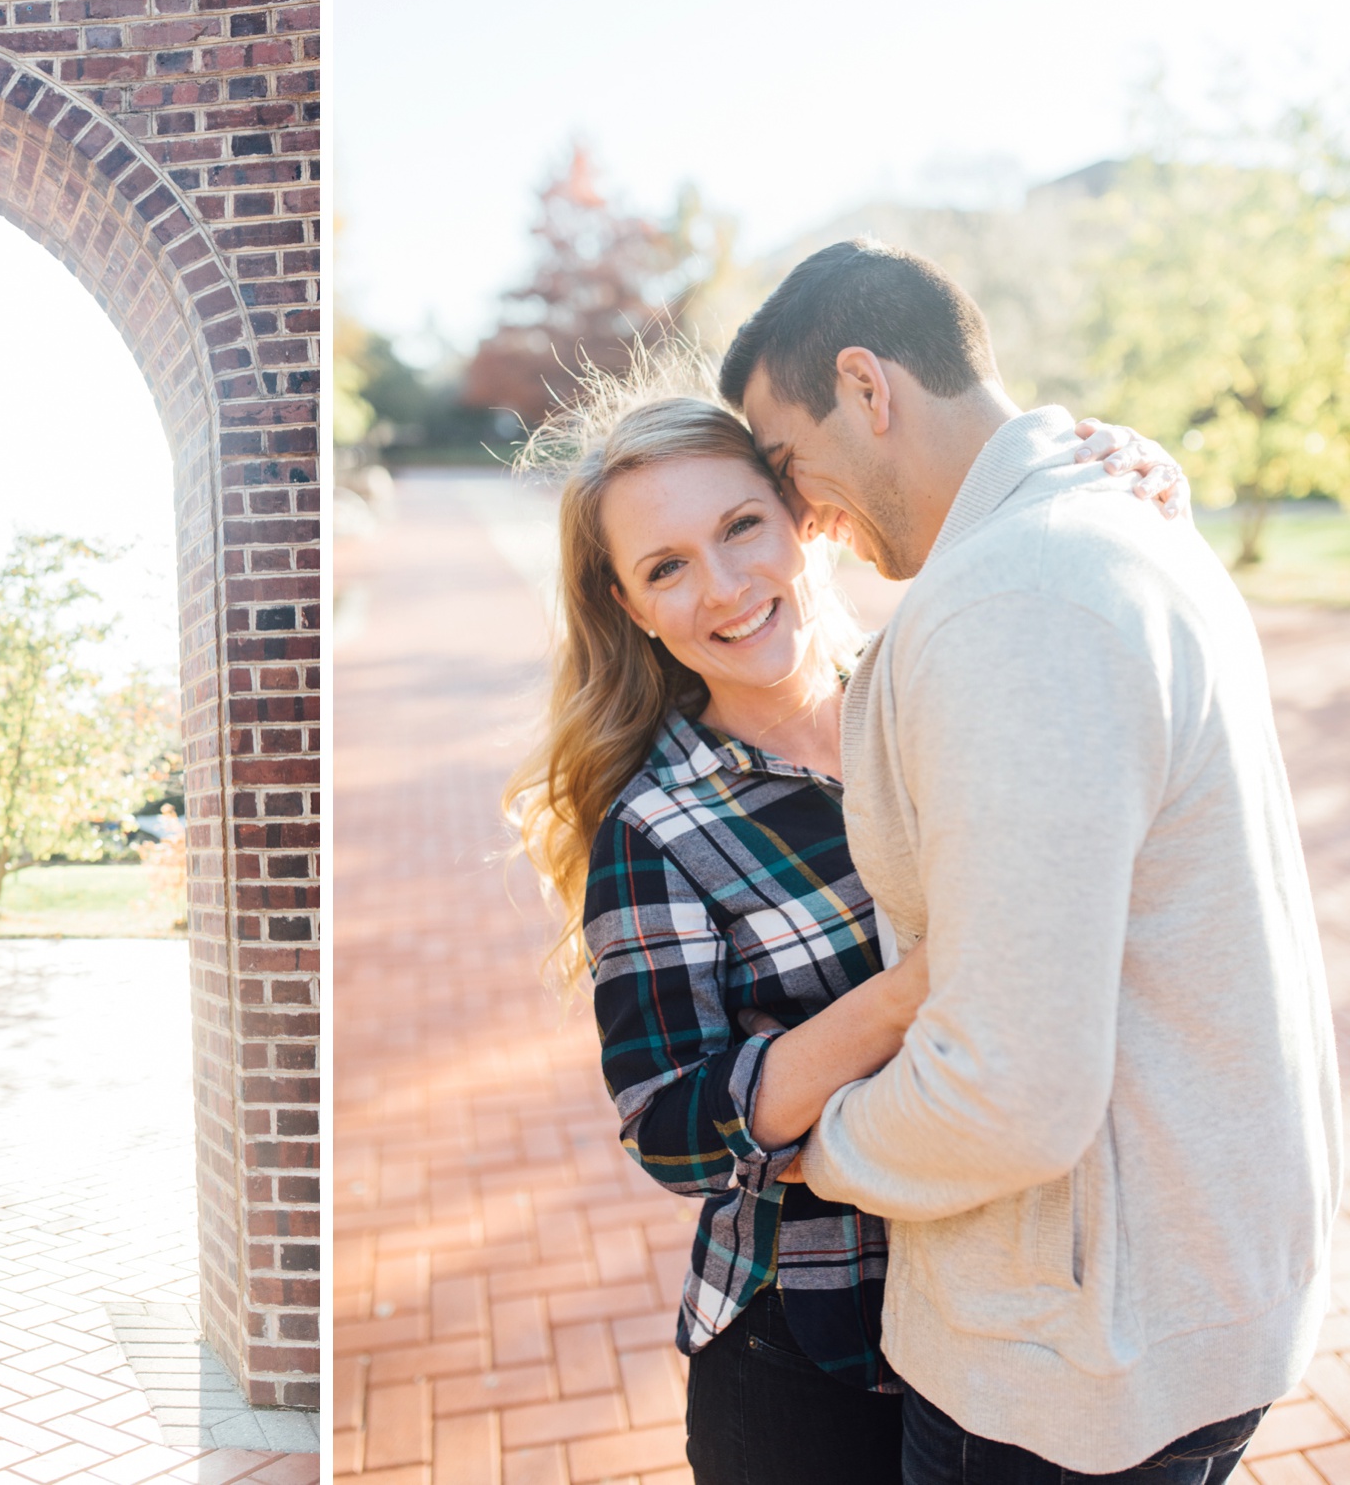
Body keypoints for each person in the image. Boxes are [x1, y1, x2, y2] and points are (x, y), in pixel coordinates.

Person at [504, 350, 1189, 1484]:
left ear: (803, 518)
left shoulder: (930, 689)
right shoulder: (654, 827)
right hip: (805, 1360)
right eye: (666, 567)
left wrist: (1123, 476)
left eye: (740, 527)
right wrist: (916, 989)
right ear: (627, 605)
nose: (722, 588)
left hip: (1008, 1316)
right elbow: (670, 1126)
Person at [719, 239, 1341, 1483]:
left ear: (866, 385)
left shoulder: (1016, 602)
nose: (798, 514)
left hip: (1069, 1352)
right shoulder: (1106, 521)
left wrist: (819, 1144)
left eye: (786, 463)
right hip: (1172, 1289)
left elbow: (1008, 1089)